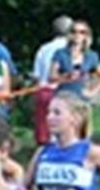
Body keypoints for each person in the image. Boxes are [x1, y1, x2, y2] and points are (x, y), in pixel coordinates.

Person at [30, 15, 73, 147]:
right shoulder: (71, 50)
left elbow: (36, 76)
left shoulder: (43, 49)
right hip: (63, 92)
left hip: (44, 91)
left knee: (44, 131)